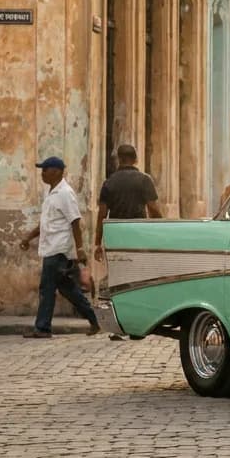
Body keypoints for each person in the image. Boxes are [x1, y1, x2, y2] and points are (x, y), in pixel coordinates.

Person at [19, 156, 99, 338]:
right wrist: (28, 238)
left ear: (55, 171)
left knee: (47, 288)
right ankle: (95, 319)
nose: (42, 173)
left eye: (45, 170)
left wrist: (79, 249)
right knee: (67, 288)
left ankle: (42, 327)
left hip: (59, 249)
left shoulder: (65, 193)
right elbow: (46, 223)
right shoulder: (52, 193)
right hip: (52, 247)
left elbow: (75, 221)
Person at [94, 144, 163, 261]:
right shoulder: (144, 180)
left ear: (119, 159)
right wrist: (160, 230)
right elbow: (153, 209)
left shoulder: (109, 182)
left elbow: (102, 214)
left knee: (117, 268)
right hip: (138, 232)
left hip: (115, 234)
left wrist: (98, 243)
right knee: (138, 267)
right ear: (136, 160)